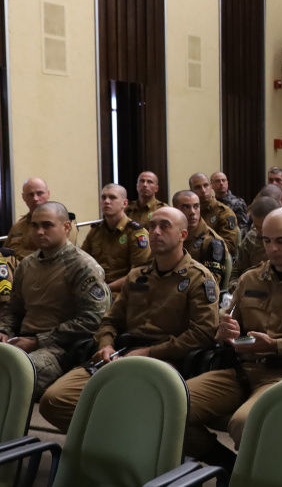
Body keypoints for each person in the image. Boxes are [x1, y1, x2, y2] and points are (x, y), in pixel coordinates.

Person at [184, 208, 282, 469]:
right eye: (266, 240)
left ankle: (260, 475)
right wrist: (225, 333)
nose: (272, 248)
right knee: (170, 405)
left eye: (281, 240)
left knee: (245, 422)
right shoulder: (251, 278)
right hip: (241, 370)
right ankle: (229, 467)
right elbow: (227, 326)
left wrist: (276, 346)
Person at [39, 207, 219, 431]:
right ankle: (118, 438)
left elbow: (203, 333)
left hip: (167, 359)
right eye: (152, 226)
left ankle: (129, 446)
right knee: (54, 400)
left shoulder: (198, 278)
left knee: (132, 403)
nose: (155, 232)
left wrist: (149, 352)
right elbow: (110, 321)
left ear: (183, 235)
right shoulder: (137, 276)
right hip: (121, 354)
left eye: (164, 226)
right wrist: (106, 345)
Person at [0, 202, 110, 398]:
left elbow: (93, 320)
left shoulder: (82, 266)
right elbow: (13, 309)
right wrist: (4, 330)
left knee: (10, 375)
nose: (40, 231)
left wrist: (38, 341)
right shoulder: (27, 265)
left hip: (58, 349)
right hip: (22, 339)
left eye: (47, 225)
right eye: (35, 226)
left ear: (66, 227)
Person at [80, 184, 152, 293]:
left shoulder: (136, 233)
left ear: (125, 203)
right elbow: (82, 263)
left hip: (122, 293)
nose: (107, 201)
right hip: (95, 290)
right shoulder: (95, 231)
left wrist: (105, 289)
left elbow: (139, 273)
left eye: (112, 198)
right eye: (103, 197)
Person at [4, 177, 78, 258]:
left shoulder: (63, 224)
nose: (35, 198)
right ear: (23, 197)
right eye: (30, 194)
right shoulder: (17, 227)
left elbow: (59, 256)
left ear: (48, 194)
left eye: (39, 193)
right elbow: (4, 254)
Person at [172, 190, 228, 285]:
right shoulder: (169, 235)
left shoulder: (212, 241)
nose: (192, 212)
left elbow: (211, 282)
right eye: (186, 207)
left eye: (196, 206)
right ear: (175, 209)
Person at [189, 173, 238, 256]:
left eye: (206, 186)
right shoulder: (189, 213)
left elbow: (228, 245)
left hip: (213, 259)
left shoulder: (224, 212)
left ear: (211, 187)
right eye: (198, 187)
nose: (203, 191)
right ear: (191, 191)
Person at [211, 171, 252, 238]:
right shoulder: (211, 203)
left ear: (227, 183)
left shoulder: (238, 203)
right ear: (211, 186)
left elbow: (244, 227)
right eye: (217, 181)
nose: (221, 183)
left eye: (223, 180)